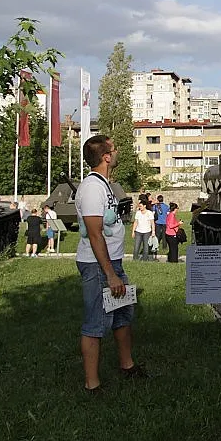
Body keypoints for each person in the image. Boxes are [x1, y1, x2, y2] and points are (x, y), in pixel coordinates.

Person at [75, 134, 147, 392]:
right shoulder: (92, 188)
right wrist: (110, 275)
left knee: (122, 315)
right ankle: (92, 384)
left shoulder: (104, 184)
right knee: (96, 322)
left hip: (111, 263)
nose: (117, 152)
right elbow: (94, 234)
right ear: (106, 157)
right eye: (114, 149)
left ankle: (127, 366)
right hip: (98, 266)